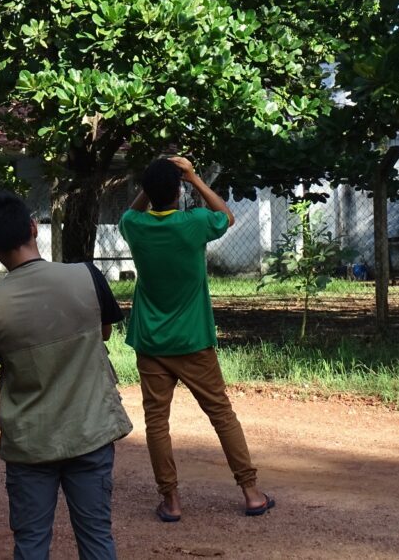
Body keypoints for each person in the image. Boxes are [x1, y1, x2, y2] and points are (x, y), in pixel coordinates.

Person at [0, 194, 132, 560]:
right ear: (33, 228)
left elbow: (0, 358)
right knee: (96, 539)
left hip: (30, 440)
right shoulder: (86, 276)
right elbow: (103, 332)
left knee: (30, 544)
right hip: (89, 429)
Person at [118, 157, 274, 522]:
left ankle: (171, 502)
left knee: (157, 422)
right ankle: (251, 493)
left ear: (147, 192)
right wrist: (194, 178)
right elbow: (227, 216)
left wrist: (153, 182)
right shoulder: (196, 223)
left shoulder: (134, 225)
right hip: (193, 341)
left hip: (151, 343)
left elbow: (133, 210)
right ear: (179, 192)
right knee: (221, 414)